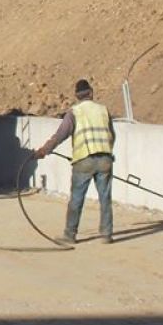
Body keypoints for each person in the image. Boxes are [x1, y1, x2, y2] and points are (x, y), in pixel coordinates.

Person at [35, 78, 116, 244]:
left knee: (77, 198)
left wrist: (44, 150)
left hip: (84, 160)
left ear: (77, 96)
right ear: (91, 93)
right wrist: (107, 152)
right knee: (105, 198)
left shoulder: (74, 112)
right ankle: (106, 234)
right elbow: (112, 135)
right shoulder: (103, 110)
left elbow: (60, 135)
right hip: (105, 160)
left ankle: (70, 235)